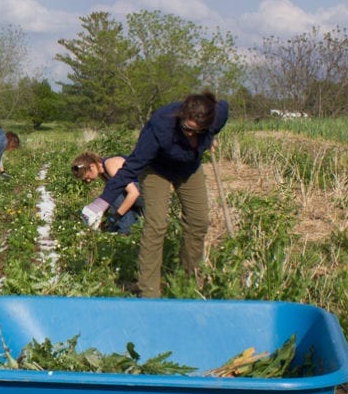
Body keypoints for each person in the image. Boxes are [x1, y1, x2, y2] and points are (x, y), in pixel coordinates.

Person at [80, 91, 229, 297]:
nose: (191, 134)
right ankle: (148, 291)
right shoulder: (160, 125)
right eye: (187, 129)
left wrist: (209, 137)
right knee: (156, 224)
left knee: (198, 222)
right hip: (156, 169)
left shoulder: (216, 116)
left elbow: (223, 108)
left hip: (188, 168)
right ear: (181, 116)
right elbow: (130, 168)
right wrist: (100, 203)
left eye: (199, 131)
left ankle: (187, 285)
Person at [70, 151, 141, 234]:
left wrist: (116, 216)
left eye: (87, 177)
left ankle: (125, 231)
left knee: (116, 196)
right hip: (140, 194)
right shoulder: (103, 173)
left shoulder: (110, 165)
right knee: (112, 195)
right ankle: (121, 228)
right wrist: (102, 214)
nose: (88, 181)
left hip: (149, 193)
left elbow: (134, 193)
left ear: (92, 166)